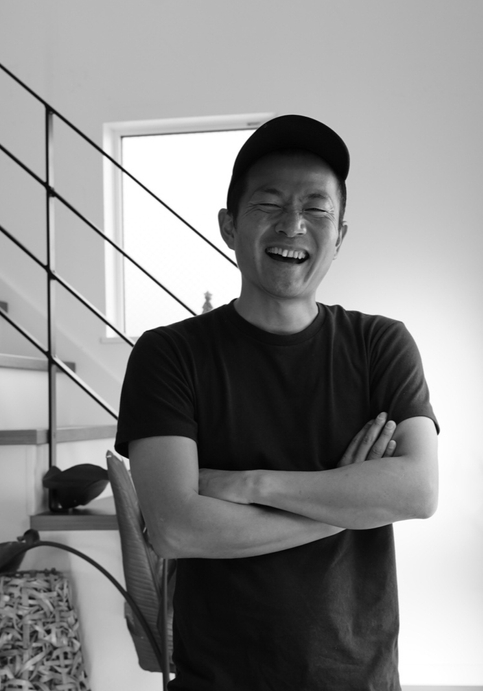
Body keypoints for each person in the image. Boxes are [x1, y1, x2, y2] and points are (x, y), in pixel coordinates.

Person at [115, 114, 439, 691]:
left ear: (340, 235)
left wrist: (249, 484)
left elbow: (416, 492)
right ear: (228, 225)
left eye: (317, 208)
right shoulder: (169, 355)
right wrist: (345, 501)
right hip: (217, 678)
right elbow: (175, 530)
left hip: (359, 677)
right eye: (269, 204)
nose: (293, 224)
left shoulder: (380, 345)